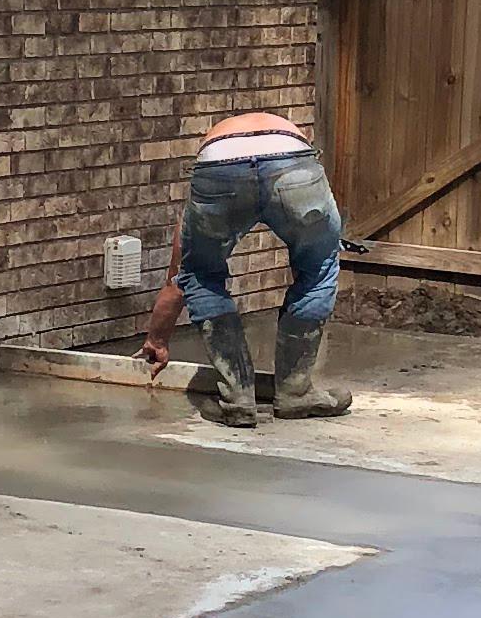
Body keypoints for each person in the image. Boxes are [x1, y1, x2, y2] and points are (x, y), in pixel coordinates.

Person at [136, 109, 352, 427]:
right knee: (317, 269)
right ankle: (295, 393)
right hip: (292, 160)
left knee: (201, 275)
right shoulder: (287, 131)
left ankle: (237, 401)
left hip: (219, 165)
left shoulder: (207, 174)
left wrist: (157, 340)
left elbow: (179, 276)